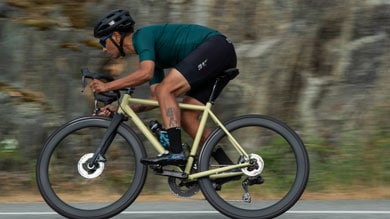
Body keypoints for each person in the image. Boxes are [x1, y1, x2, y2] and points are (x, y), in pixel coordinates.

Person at [90, 9, 237, 166]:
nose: (104, 49)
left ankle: (176, 152)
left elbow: (145, 73)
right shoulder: (151, 56)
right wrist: (119, 108)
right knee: (187, 118)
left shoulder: (142, 37)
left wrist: (107, 86)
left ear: (116, 36)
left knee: (165, 89)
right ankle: (226, 165)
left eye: (103, 42)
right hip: (219, 53)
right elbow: (156, 99)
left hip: (216, 47)